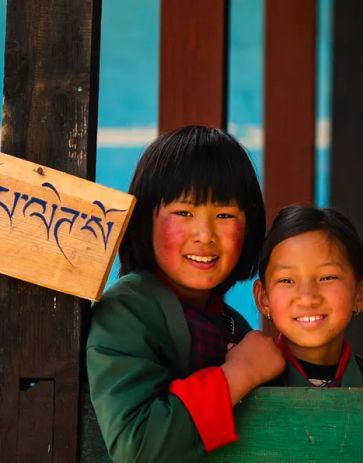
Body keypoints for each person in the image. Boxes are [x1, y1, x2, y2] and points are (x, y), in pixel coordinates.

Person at [86, 126, 285, 462]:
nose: (205, 235)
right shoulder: (127, 310)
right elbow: (137, 445)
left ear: (249, 226)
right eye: (183, 213)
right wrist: (239, 373)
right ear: (144, 221)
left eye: (224, 215)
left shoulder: (229, 324)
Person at [253, 205, 363, 387]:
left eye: (327, 277)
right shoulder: (246, 389)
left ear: (361, 293)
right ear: (263, 298)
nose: (308, 297)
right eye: (287, 280)